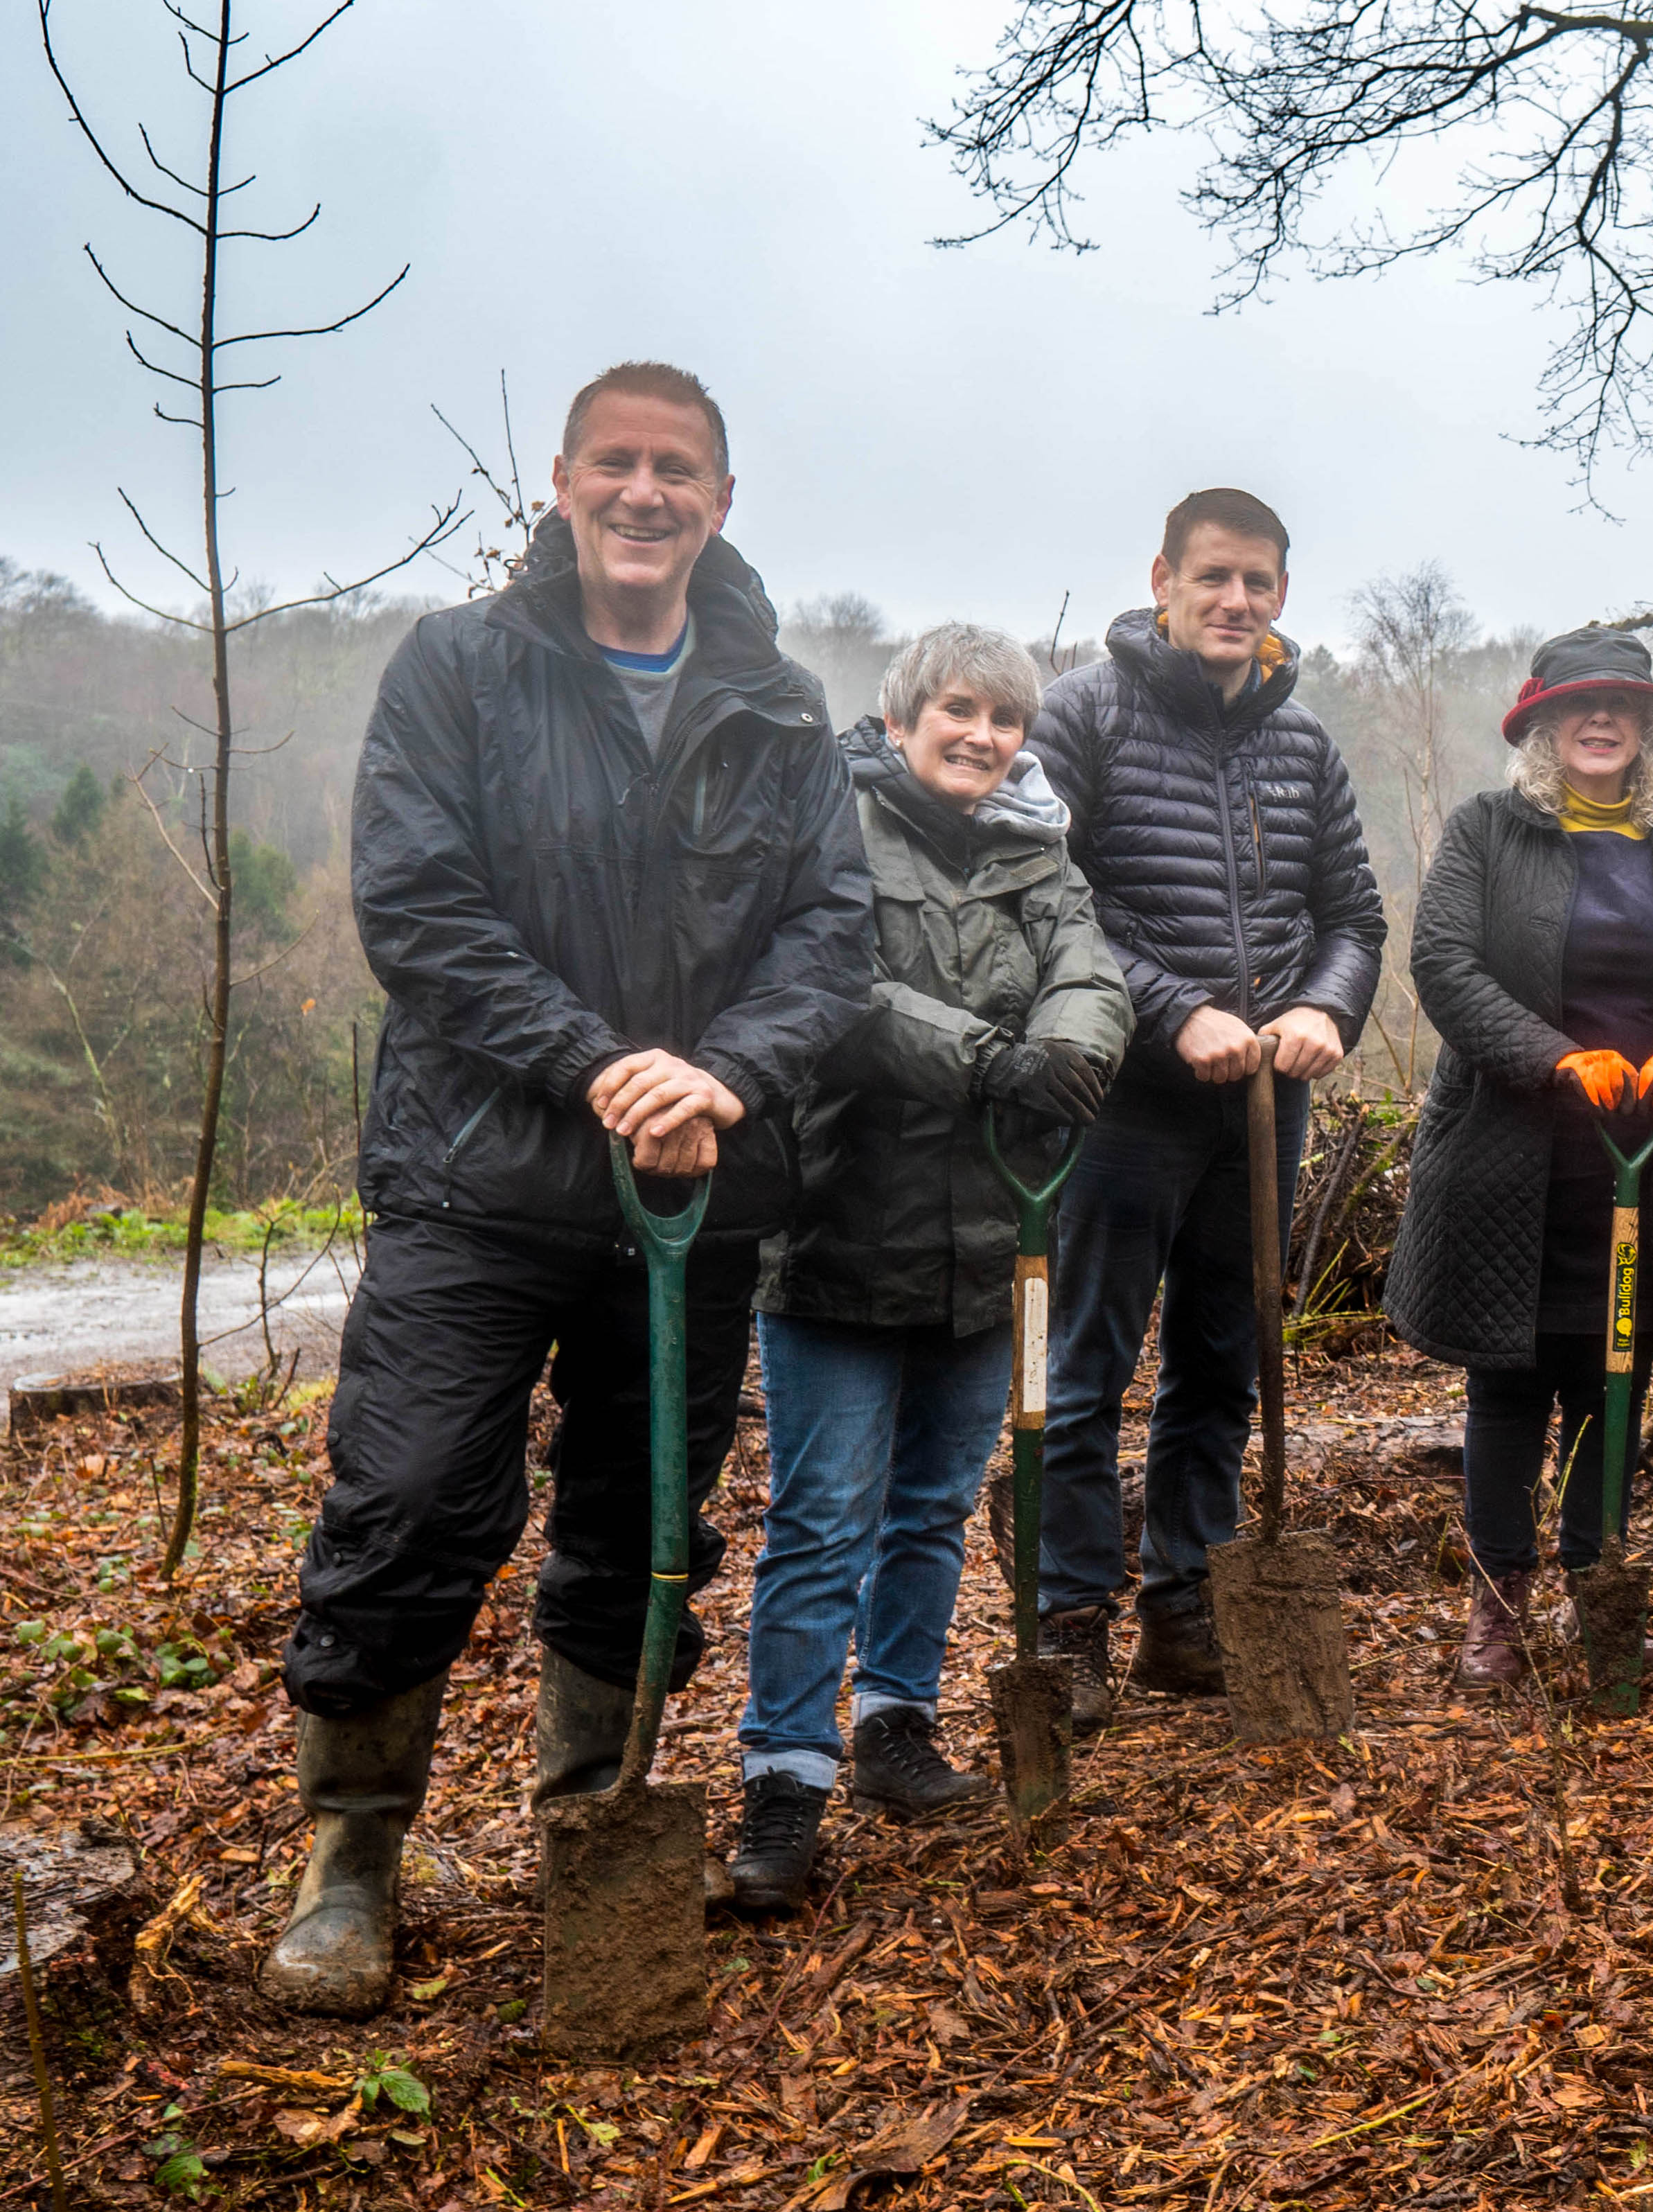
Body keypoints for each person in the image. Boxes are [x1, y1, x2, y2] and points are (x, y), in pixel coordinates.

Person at [269, 362, 873, 2015]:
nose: (644, 490)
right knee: (404, 1506)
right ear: (561, 482)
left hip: (696, 1198)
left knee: (641, 1531)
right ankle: (349, 1859)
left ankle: (593, 1828)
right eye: (616, 461)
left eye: (677, 468)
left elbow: (835, 932)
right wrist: (603, 1061)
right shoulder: (462, 667)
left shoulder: (778, 703)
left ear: (721, 503)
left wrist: (722, 1070)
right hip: (478, 1182)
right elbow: (418, 903)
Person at [725, 625, 1131, 1911]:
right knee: (821, 1518)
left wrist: (1066, 1049)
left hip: (998, 1240)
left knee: (936, 1502)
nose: (984, 735)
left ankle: (896, 1720)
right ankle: (783, 1775)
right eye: (958, 709)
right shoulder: (831, 824)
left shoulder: (1039, 847)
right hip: (843, 1228)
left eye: (1005, 716)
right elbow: (831, 985)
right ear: (901, 720)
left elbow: (1092, 971)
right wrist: (985, 1058)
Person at [1027, 489, 1384, 1728]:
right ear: (1163, 578)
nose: (1236, 602)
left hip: (1260, 1109)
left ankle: (1183, 1608)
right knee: (1083, 1367)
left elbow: (1355, 918)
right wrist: (1173, 1005)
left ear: (1282, 595)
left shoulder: (1303, 744)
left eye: (1259, 584)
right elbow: (1043, 896)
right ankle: (1065, 1626)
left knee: (1225, 1362)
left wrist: (1329, 1009)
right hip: (1120, 1099)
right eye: (1214, 578)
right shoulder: (1084, 712)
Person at [1386, 630, 1653, 1685]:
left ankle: (1601, 1594)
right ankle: (1498, 1615)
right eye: (1578, 707)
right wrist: (1557, 1059)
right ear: (1542, 725)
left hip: (1652, 1159)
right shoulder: (1486, 831)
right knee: (1508, 1387)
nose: (1601, 722)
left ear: (1649, 729)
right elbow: (1443, 962)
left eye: (1623, 708)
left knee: (1617, 1377)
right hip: (1510, 1158)